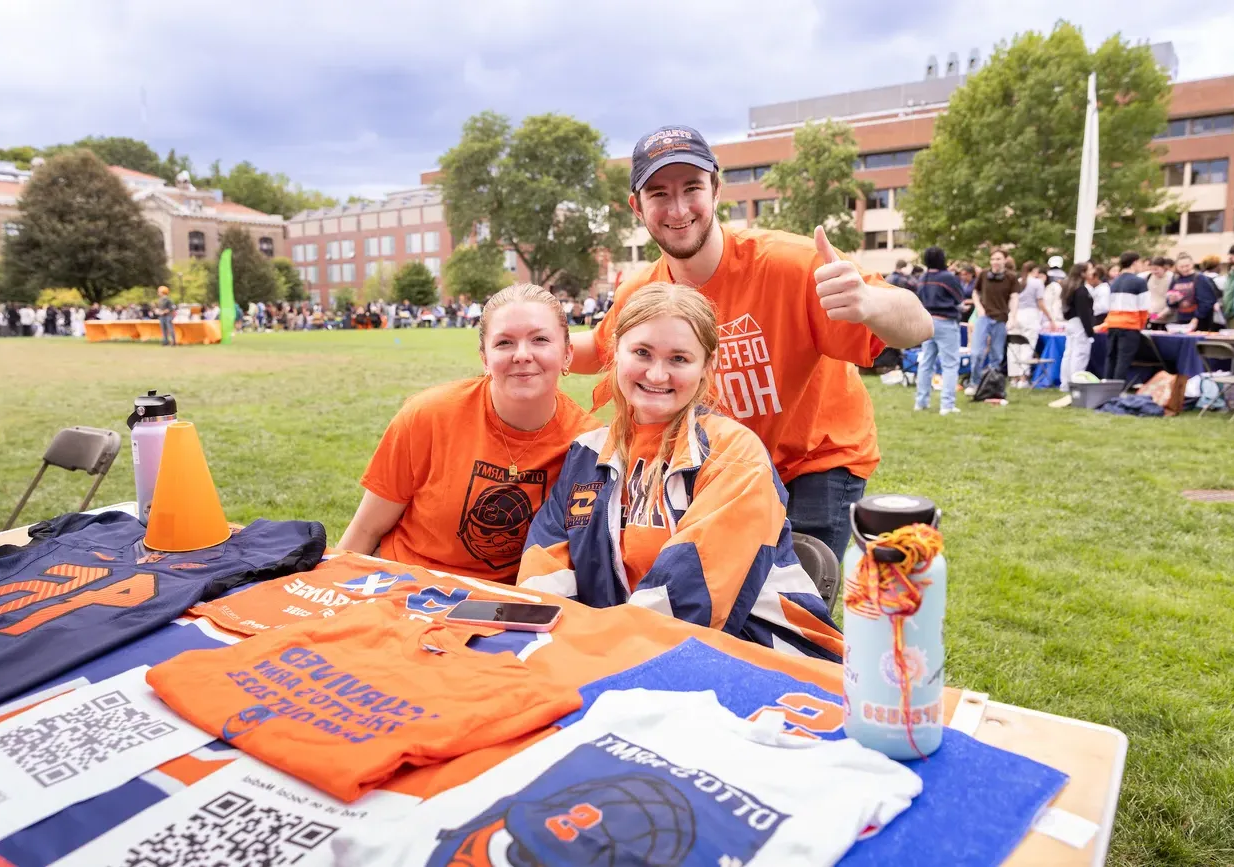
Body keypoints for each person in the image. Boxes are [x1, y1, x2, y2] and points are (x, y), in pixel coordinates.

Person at [568, 124, 931, 561]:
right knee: (726, 595)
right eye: (659, 193)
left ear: (717, 189)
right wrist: (528, 343)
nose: (678, 208)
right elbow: (599, 347)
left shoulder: (790, 264)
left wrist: (870, 302)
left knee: (794, 599)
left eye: (692, 187)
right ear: (637, 207)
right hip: (724, 466)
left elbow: (918, 323)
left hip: (815, 462)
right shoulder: (643, 292)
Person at [519, 283, 842, 661]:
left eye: (679, 359)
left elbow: (691, 596)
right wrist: (555, 644)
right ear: (616, 352)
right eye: (642, 352)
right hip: (617, 655)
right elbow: (545, 567)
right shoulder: (586, 455)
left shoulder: (734, 455)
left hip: (762, 658)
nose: (657, 375)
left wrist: (591, 651)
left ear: (707, 365)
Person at [337, 283, 598, 583]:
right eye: (504, 343)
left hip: (503, 609)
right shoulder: (428, 415)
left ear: (567, 354)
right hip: (404, 586)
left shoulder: (587, 446)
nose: (522, 355)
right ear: (485, 358)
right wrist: (330, 597)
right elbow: (366, 530)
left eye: (539, 339)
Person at [913, 246, 965, 415]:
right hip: (946, 323)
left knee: (926, 363)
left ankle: (921, 402)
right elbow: (959, 299)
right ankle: (947, 405)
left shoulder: (923, 278)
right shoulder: (948, 278)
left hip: (928, 322)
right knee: (950, 364)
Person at [967, 248, 1018, 393]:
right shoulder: (983, 275)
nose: (995, 262)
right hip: (984, 318)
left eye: (999, 259)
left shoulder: (1011, 278)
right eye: (993, 259)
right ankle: (974, 383)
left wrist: (1013, 316)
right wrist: (979, 308)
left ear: (1005, 260)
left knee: (997, 355)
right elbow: (975, 292)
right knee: (977, 353)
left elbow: (1014, 298)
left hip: (1001, 319)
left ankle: (992, 384)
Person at [1102, 251, 1150, 383]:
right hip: (1129, 325)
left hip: (1113, 323)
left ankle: (1106, 385)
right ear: (1134, 263)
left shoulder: (1114, 282)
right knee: (1123, 359)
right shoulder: (1139, 282)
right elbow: (1144, 308)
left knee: (1111, 357)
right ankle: (1117, 388)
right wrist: (1140, 326)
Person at [1007, 261, 1055, 388]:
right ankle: (1023, 378)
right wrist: (1051, 318)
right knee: (1027, 347)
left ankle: (1014, 377)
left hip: (1015, 314)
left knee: (1014, 347)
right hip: (1030, 315)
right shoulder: (1037, 283)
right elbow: (1040, 302)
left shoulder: (1017, 281)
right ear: (1034, 271)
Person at [1058, 262, 1095, 390]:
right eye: (1089, 270)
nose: (1092, 272)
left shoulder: (1070, 288)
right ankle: (1076, 382)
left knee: (1069, 353)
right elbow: (1084, 313)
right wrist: (1089, 331)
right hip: (1079, 323)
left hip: (1071, 323)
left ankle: (1066, 383)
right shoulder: (1081, 290)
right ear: (1082, 273)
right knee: (1080, 354)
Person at [1167, 252, 1220, 333]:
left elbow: (1207, 302)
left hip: (1199, 321)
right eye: (1181, 267)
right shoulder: (1175, 279)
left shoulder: (1200, 278)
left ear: (1192, 264)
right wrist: (1171, 301)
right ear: (1177, 267)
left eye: (1187, 266)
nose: (1184, 269)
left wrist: (1196, 318)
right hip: (1181, 319)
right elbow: (1170, 301)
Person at [1145, 256, 1173, 327]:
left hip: (1169, 316)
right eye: (1151, 269)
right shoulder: (1149, 277)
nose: (1154, 271)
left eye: (1156, 269)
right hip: (1153, 315)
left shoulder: (1172, 278)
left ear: (1164, 267)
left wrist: (1163, 313)